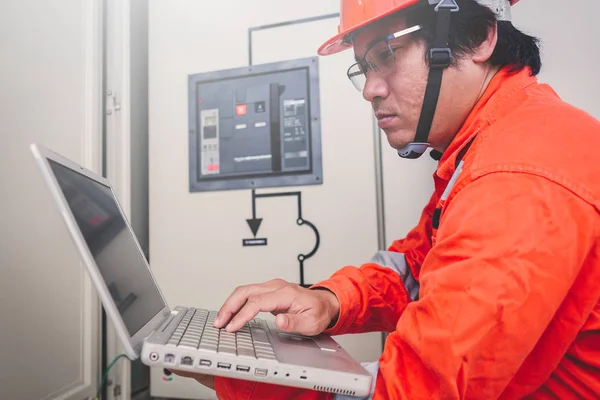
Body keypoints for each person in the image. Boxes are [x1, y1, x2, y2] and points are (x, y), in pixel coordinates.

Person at [173, 0, 600, 398]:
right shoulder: (492, 146)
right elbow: (414, 269)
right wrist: (330, 300)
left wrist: (248, 378)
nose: (370, 89)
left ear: (481, 37)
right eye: (363, 67)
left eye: (387, 55)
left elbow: (415, 390)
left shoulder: (519, 175)